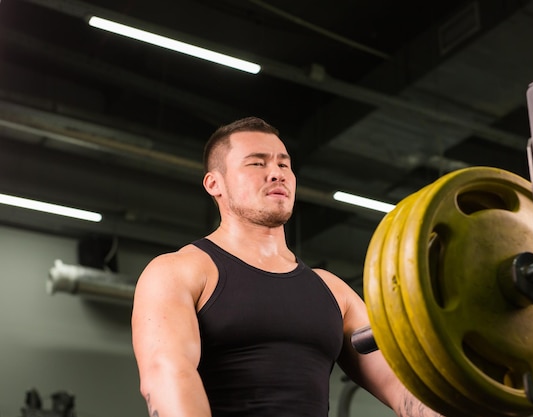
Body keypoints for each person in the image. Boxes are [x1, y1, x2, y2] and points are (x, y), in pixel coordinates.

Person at [131, 116, 444, 417]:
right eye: (257, 162)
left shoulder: (333, 291)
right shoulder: (179, 271)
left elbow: (403, 388)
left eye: (284, 164)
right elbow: (167, 375)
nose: (276, 173)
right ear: (215, 183)